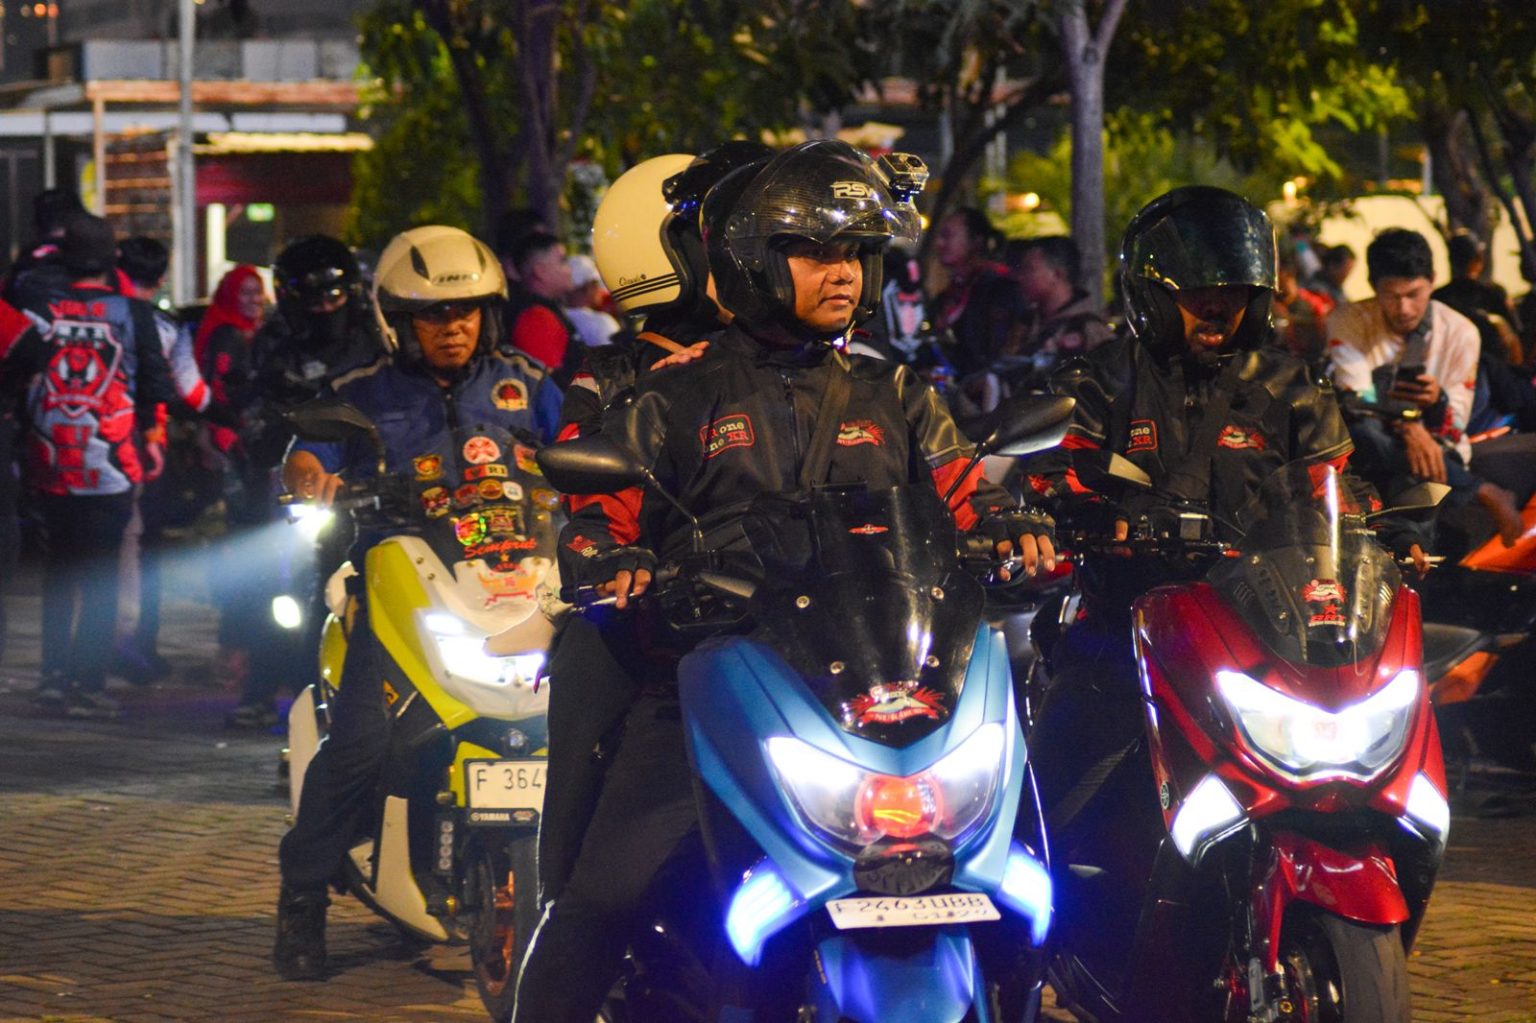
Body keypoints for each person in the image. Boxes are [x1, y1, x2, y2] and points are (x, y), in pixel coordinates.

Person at [511, 139, 1054, 1023]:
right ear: (752, 261)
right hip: (714, 684)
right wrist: (609, 557)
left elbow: (962, 490)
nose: (841, 272)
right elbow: (598, 515)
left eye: (854, 253)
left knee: (1023, 867)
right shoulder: (676, 397)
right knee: (600, 896)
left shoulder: (897, 394)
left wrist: (1008, 523)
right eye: (813, 252)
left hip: (885, 685)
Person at [1022, 186, 1424, 816]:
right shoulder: (1100, 379)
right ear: (1153, 298)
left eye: (1234, 295)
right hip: (1127, 621)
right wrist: (1090, 512)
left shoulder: (1292, 386)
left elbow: (1336, 488)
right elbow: (1052, 469)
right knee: (1052, 789)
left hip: (1264, 628)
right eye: (1197, 296)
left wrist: (1386, 532)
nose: (1218, 310)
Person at [272, 225, 561, 982]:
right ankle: (303, 895)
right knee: (364, 744)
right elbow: (307, 457)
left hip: (519, 585)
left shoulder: (529, 383)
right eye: (432, 315)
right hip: (403, 593)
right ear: (396, 321)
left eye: (465, 311)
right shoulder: (359, 391)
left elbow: (584, 445)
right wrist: (312, 479)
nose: (451, 326)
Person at [9, 213, 176, 717]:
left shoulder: (37, 308)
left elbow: (13, 374)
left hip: (49, 459)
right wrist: (152, 437)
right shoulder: (132, 312)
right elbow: (155, 383)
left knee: (60, 571)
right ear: (112, 261)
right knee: (101, 576)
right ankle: (88, 684)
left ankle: (53, 679)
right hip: (111, 462)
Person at [225, 235, 382, 728]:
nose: (325, 310)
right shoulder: (274, 343)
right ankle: (259, 687)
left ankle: (341, 692)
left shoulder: (374, 341)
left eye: (334, 298)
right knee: (264, 588)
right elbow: (252, 406)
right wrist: (268, 440)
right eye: (313, 301)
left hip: (352, 488)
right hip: (287, 484)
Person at [1327, 227, 1525, 547]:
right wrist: (1409, 426)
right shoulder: (1348, 319)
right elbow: (1355, 400)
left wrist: (1436, 402)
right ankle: (1480, 489)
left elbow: (1454, 424)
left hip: (1437, 451)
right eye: (1392, 296)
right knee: (1365, 432)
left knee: (1412, 472)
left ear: (1432, 281)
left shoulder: (1461, 333)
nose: (1404, 308)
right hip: (1371, 445)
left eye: (1414, 294)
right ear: (1373, 286)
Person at [114, 236, 214, 682]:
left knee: (88, 550)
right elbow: (192, 391)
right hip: (143, 445)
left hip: (86, 444)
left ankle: (78, 660)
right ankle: (137, 644)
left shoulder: (93, 314)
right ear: (160, 278)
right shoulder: (167, 327)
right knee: (141, 547)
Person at [929, 206, 1027, 380]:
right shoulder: (947, 295)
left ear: (976, 242)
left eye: (948, 236)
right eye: (939, 236)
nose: (939, 243)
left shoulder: (999, 290)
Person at [1010, 234, 1112, 375]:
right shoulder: (1026, 323)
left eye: (1030, 269)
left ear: (1057, 274)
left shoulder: (1090, 330)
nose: (1021, 277)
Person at [504, 230, 576, 378]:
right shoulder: (536, 318)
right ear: (540, 271)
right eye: (563, 261)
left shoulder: (543, 310)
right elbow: (549, 384)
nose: (569, 269)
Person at [561, 253, 620, 348]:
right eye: (596, 283)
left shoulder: (554, 316)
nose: (599, 289)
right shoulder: (602, 323)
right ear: (589, 288)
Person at [1304, 242, 1355, 309]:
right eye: (1345, 270)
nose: (1346, 275)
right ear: (1332, 265)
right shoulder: (1317, 288)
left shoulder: (1337, 289)